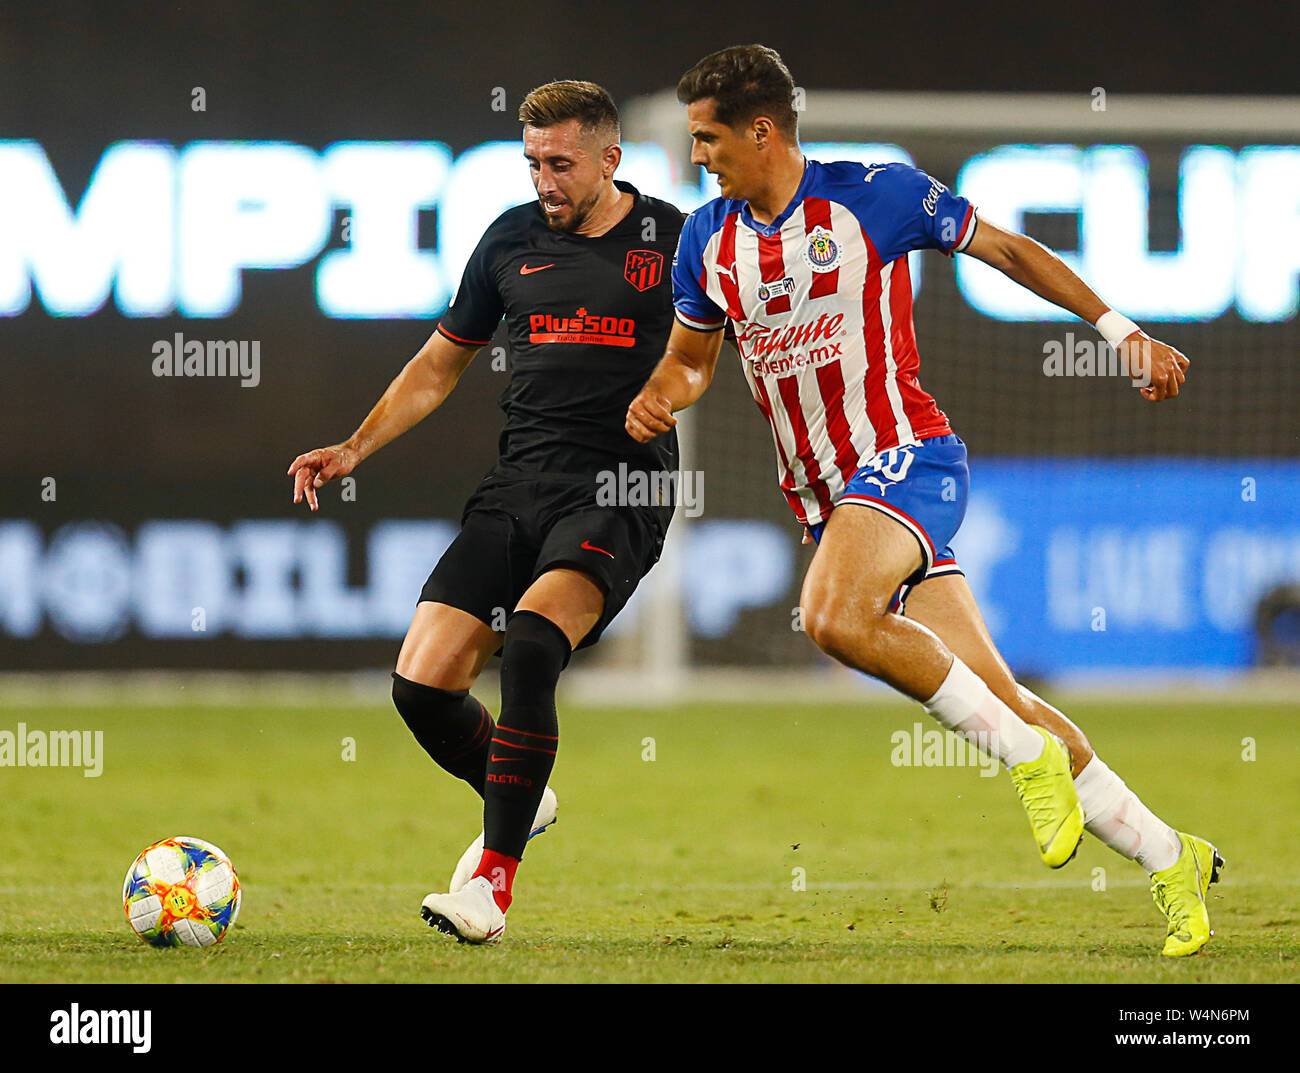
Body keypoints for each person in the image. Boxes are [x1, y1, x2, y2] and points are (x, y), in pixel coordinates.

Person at [626, 44, 1221, 957]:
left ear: (760, 129)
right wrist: (661, 393)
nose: (697, 155)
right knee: (998, 693)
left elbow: (1011, 250)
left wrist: (1120, 330)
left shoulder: (876, 193)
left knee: (829, 616)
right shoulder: (707, 239)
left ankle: (1029, 764)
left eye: (707, 137)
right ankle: (1172, 856)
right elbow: (693, 360)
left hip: (910, 457)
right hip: (835, 504)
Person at [289, 80, 684, 945]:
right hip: (519, 484)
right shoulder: (509, 238)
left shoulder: (673, 238)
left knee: (535, 646)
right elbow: (439, 363)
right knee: (422, 686)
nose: (545, 178)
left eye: (562, 162)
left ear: (611, 159)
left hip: (621, 486)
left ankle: (491, 887)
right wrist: (354, 446)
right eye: (533, 161)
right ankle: (520, 793)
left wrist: (675, 391)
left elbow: (715, 347)